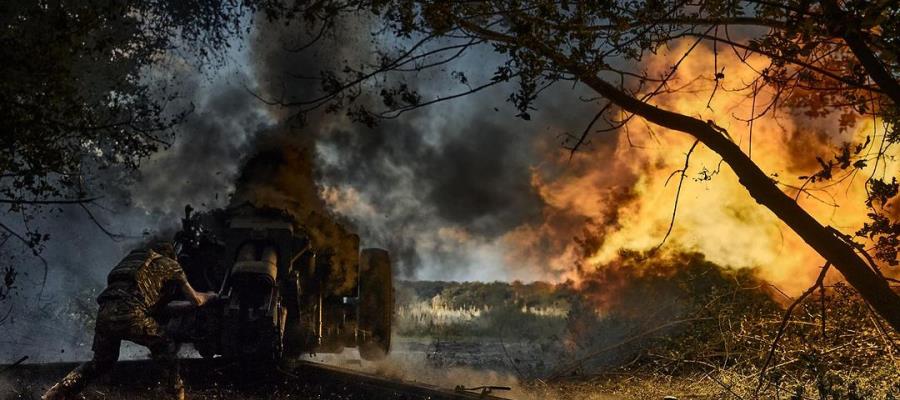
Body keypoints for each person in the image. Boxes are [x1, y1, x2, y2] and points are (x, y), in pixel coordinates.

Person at [43, 241, 216, 400]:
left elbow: (149, 305)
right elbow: (197, 301)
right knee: (166, 348)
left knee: (100, 363)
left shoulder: (128, 265)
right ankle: (177, 395)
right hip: (132, 314)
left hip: (105, 312)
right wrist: (211, 296)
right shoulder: (171, 265)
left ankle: (55, 393)